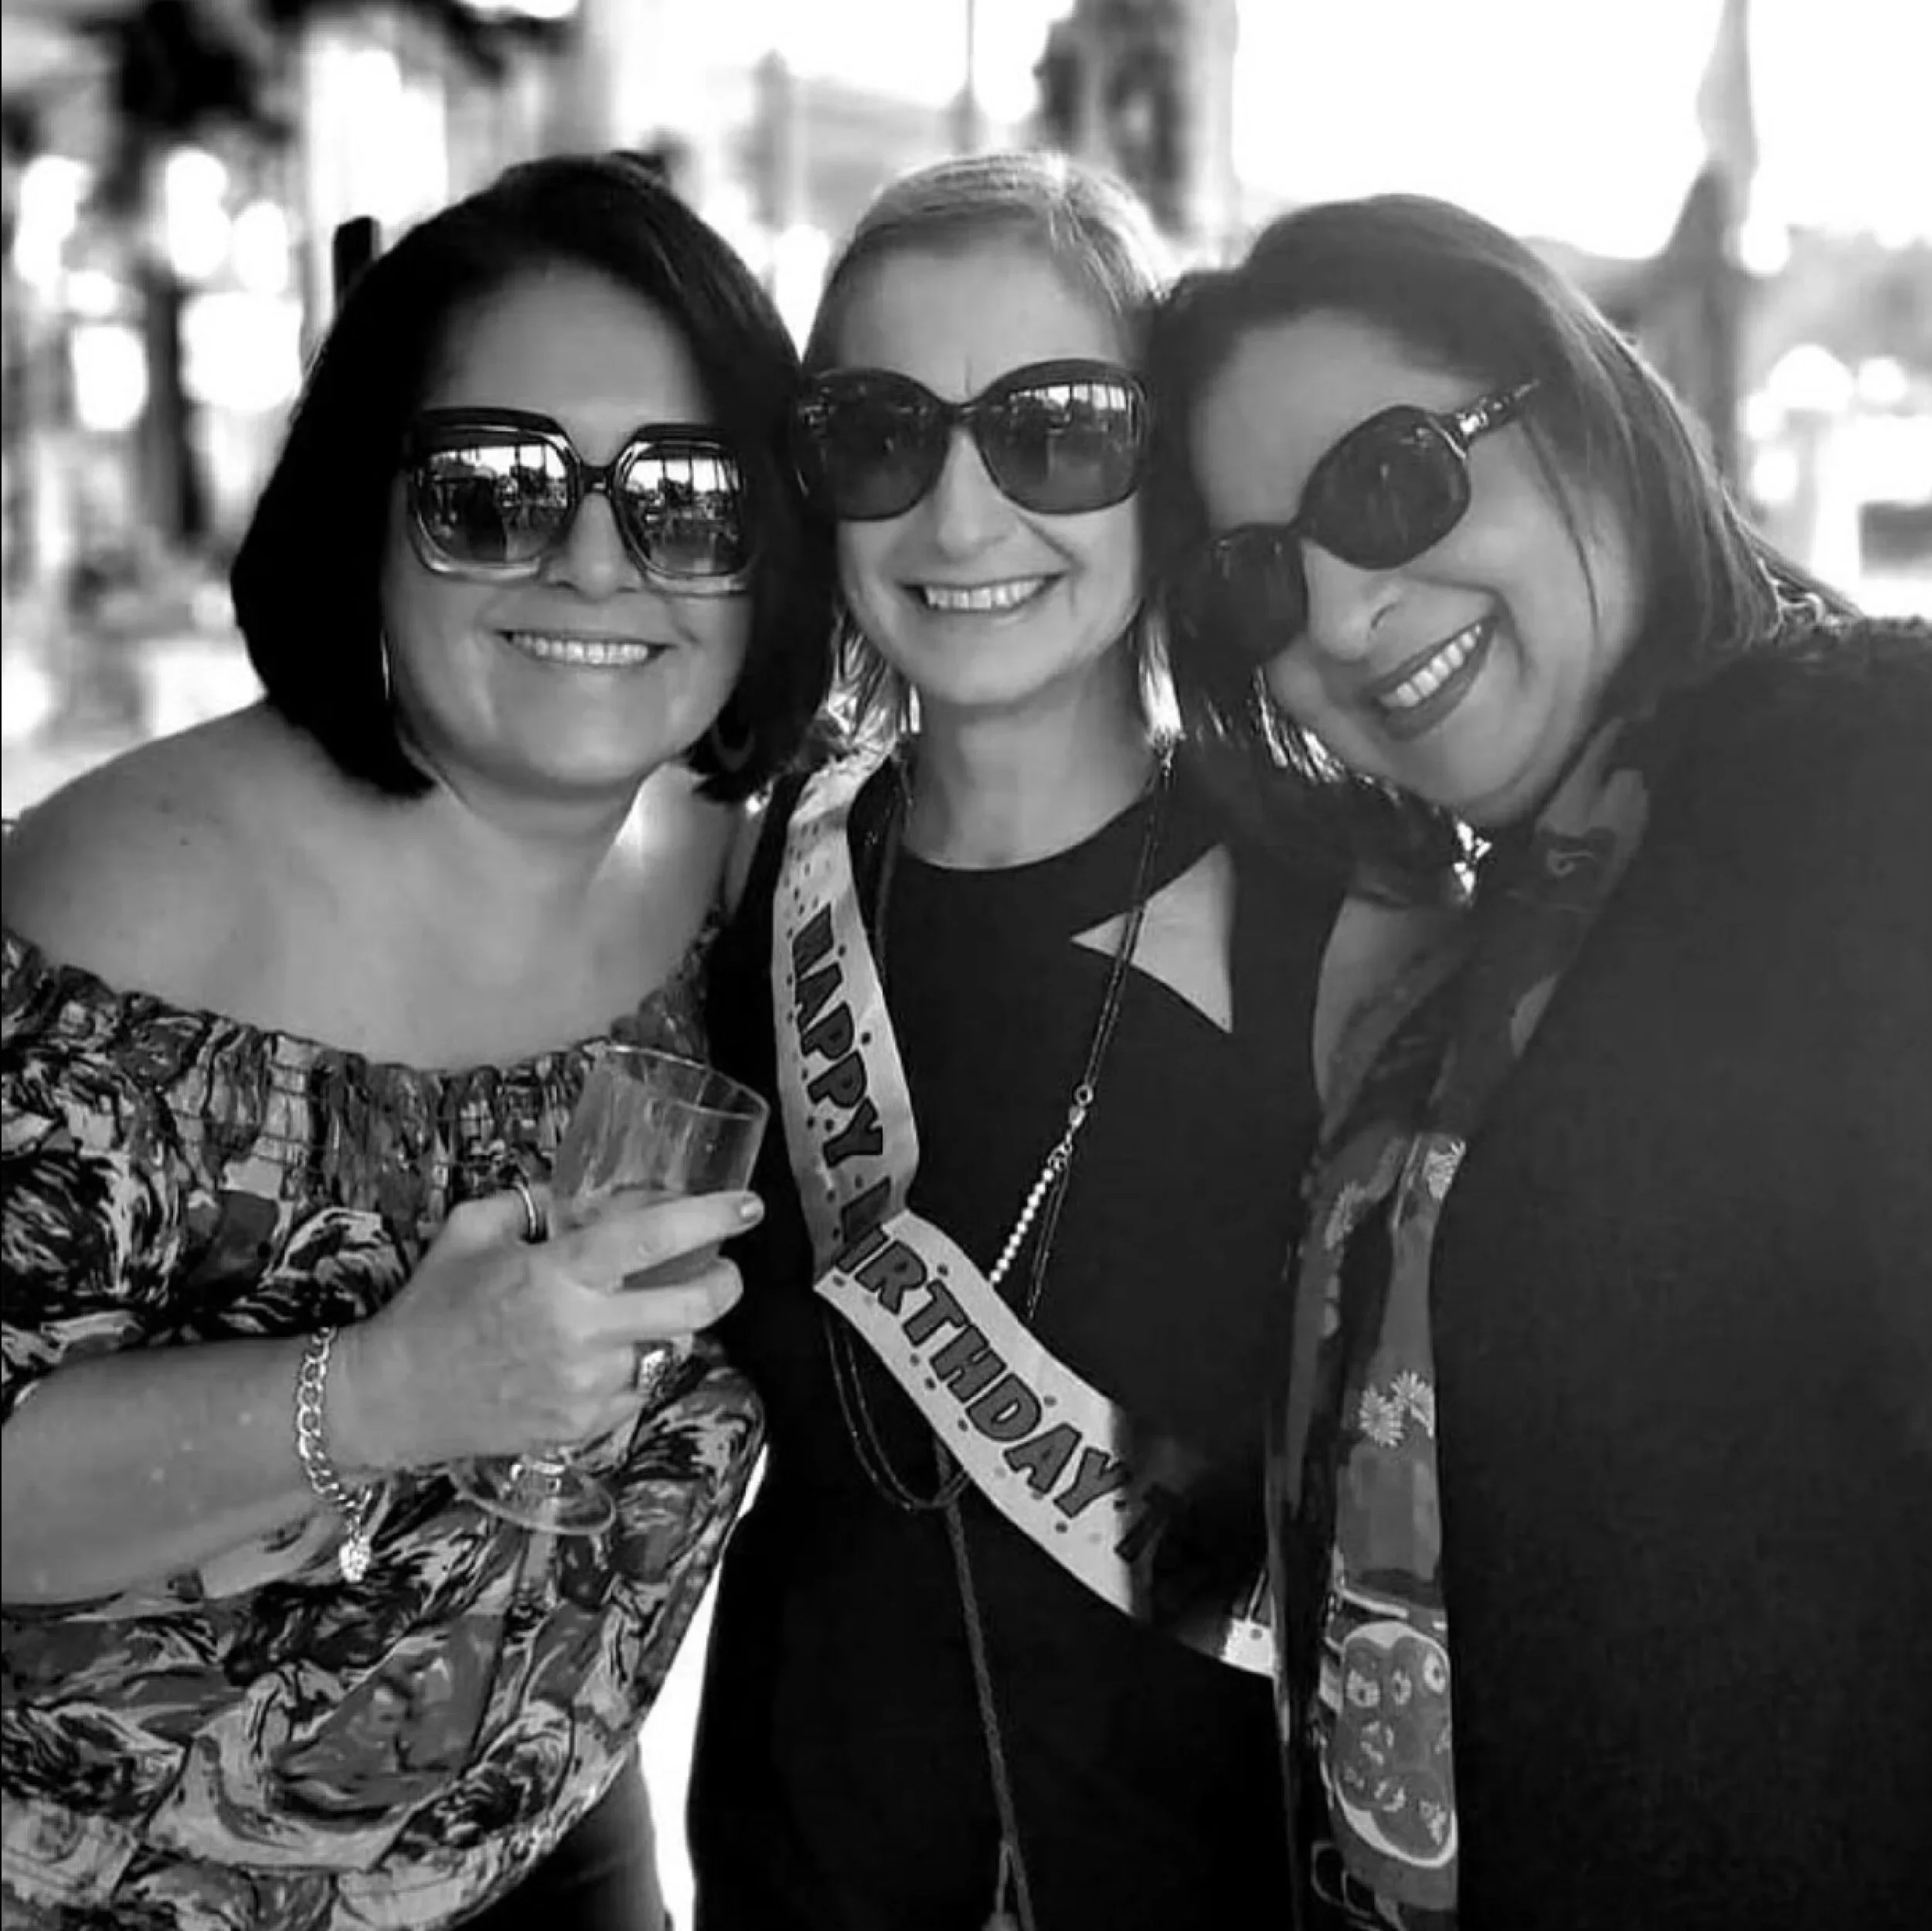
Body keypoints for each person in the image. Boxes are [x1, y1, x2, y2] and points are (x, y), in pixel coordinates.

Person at [1, 150, 833, 1930]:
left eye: (686, 498)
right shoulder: (125, 905)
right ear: (361, 512)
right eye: (495, 488)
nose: (600, 561)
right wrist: (378, 1392)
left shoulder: (755, 889)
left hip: (556, 1837)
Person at [1144, 191, 1932, 1931]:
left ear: (1574, 402)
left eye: (1388, 481)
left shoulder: (1872, 778)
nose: (1340, 621)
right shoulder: (1496, 931)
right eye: (1258, 577)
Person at [690, 151, 1351, 1931]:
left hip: (1219, 1876)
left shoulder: (1339, 911)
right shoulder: (753, 884)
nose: (961, 519)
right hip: (800, 1861)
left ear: (1164, 469)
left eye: (1054, 429)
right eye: (882, 433)